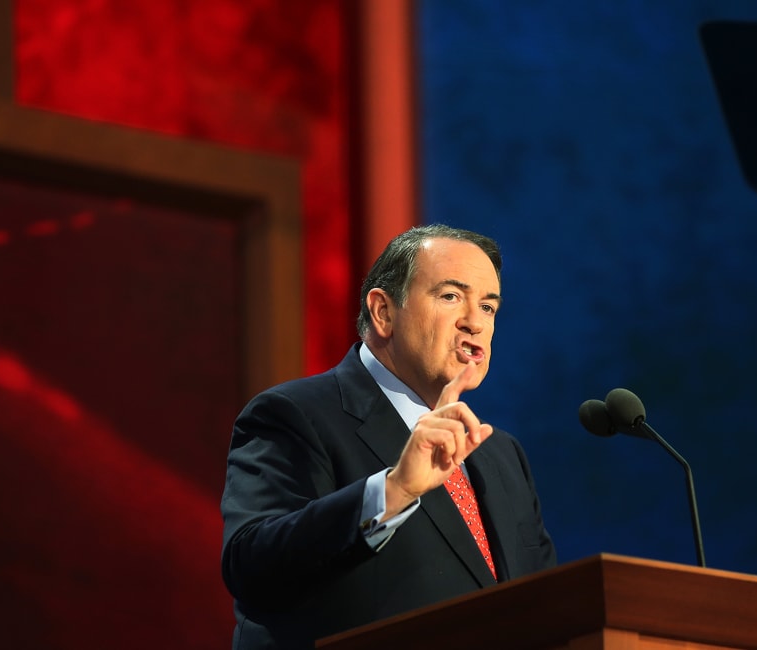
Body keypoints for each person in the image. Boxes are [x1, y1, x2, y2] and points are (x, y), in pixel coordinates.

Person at [220, 224, 557, 649]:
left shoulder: (502, 455)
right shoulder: (294, 415)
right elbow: (252, 568)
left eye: (488, 307)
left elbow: (546, 610)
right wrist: (394, 490)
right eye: (451, 296)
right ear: (383, 312)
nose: (475, 322)